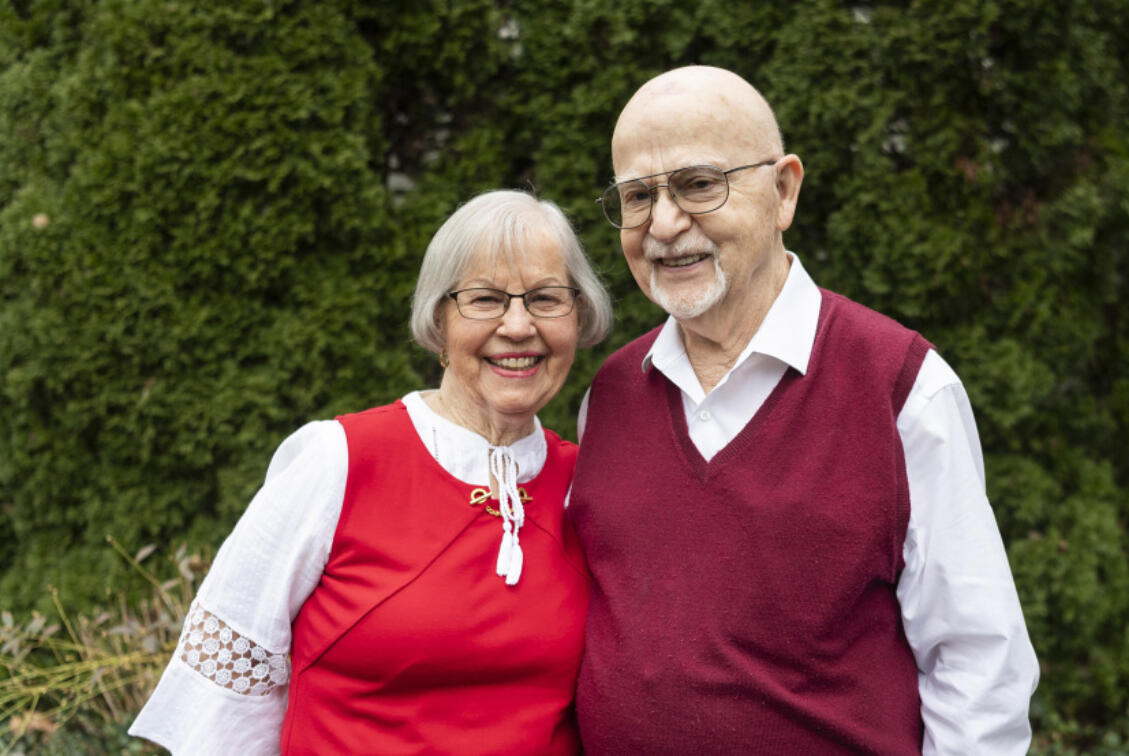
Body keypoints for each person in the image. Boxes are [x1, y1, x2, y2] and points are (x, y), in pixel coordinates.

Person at [567, 66, 1040, 754]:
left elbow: (978, 666)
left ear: (783, 190)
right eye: (638, 196)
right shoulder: (608, 397)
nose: (663, 225)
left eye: (699, 185)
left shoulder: (902, 389)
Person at [129, 189, 613, 754]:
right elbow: (225, 697)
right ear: (439, 320)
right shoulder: (338, 461)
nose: (517, 325)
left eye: (545, 299)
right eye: (484, 299)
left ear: (578, 317)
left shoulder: (589, 486)